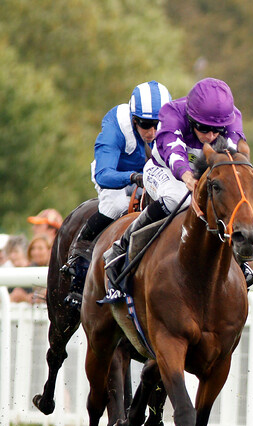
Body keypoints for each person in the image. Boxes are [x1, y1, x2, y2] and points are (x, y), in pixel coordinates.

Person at [102, 77, 253, 294]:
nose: (211, 136)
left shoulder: (232, 117)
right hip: (164, 170)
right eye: (204, 128)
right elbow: (173, 152)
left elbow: (231, 158)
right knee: (177, 199)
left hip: (204, 172)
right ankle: (123, 247)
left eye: (217, 130)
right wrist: (185, 176)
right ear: (191, 118)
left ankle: (238, 259)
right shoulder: (171, 113)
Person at [63, 81, 171, 307]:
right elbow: (104, 174)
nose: (151, 132)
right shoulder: (115, 126)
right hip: (118, 177)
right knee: (115, 206)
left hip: (153, 174)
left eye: (156, 125)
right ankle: (78, 268)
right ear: (134, 119)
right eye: (145, 125)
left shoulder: (171, 123)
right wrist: (133, 178)